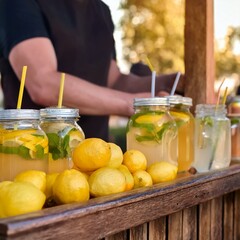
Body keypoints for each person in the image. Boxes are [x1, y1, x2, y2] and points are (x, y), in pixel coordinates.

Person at [0, 0, 184, 141]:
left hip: (96, 157)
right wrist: (133, 105)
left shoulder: (102, 11)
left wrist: (168, 82)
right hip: (34, 155)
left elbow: (113, 80)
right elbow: (43, 84)